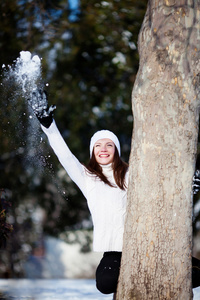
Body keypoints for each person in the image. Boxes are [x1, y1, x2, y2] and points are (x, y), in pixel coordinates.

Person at [29, 89, 200, 296]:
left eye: (109, 144)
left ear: (116, 150)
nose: (103, 148)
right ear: (93, 151)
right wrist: (48, 125)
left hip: (147, 245)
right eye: (98, 145)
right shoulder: (87, 177)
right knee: (105, 285)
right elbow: (65, 155)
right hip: (115, 252)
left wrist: (187, 187)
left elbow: (160, 193)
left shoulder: (132, 173)